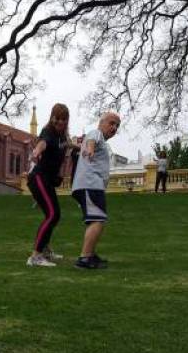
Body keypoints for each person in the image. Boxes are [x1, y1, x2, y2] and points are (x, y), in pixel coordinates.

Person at [72, 111, 121, 269]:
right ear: (101, 122)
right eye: (111, 123)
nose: (114, 128)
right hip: (90, 184)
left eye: (117, 125)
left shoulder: (100, 140)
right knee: (97, 220)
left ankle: (90, 254)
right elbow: (92, 141)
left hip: (91, 185)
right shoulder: (96, 133)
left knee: (95, 220)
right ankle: (85, 258)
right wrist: (91, 149)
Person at [26, 103, 70, 267]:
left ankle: (44, 249)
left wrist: (80, 146)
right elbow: (42, 143)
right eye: (57, 118)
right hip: (38, 177)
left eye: (63, 119)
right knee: (53, 215)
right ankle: (35, 256)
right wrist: (37, 151)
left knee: (53, 215)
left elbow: (67, 147)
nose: (60, 122)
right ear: (52, 118)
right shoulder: (48, 132)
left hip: (47, 180)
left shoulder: (63, 137)